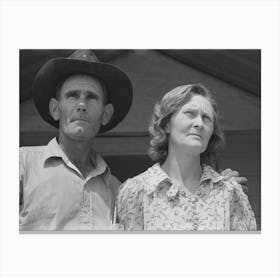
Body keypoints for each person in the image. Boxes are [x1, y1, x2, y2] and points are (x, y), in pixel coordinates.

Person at [19, 49, 133, 230]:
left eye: (91, 97)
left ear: (106, 114)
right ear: (55, 108)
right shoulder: (21, 165)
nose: (81, 105)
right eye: (72, 95)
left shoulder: (117, 191)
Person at [117, 83, 256, 231]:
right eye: (190, 113)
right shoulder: (136, 191)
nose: (199, 123)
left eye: (207, 118)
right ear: (166, 125)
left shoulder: (230, 192)